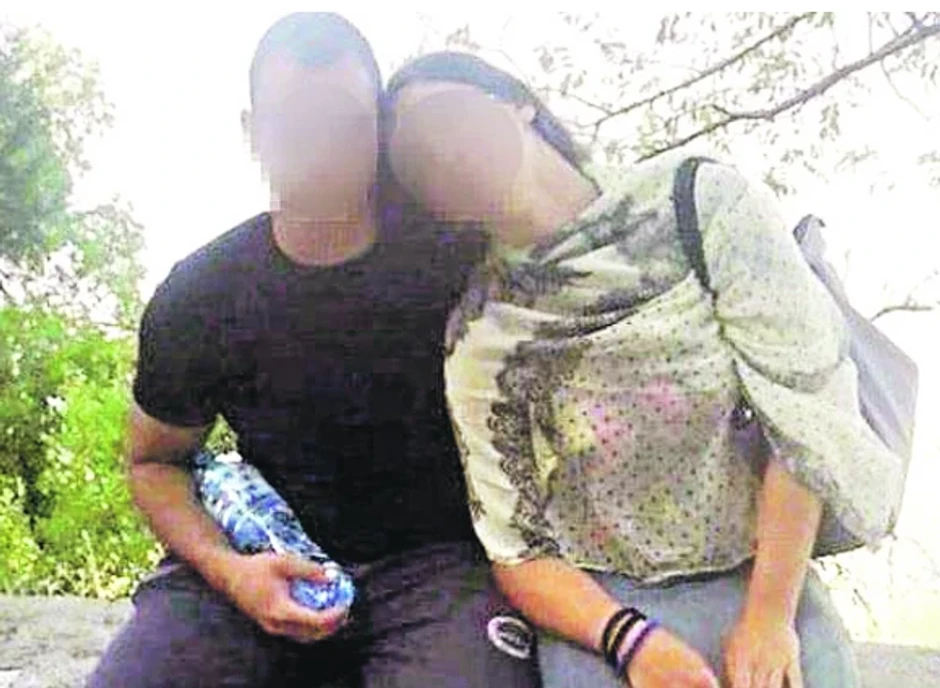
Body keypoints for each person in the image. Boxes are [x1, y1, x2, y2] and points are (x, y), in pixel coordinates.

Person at [384, 51, 904, 688]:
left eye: (448, 115)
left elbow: (805, 410)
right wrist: (634, 644)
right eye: (418, 157)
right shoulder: (481, 334)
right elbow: (515, 547)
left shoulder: (697, 204)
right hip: (603, 610)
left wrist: (769, 617)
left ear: (517, 102)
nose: (444, 148)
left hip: (765, 573)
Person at [88, 18, 541, 688]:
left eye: (344, 124)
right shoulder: (204, 294)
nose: (321, 152)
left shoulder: (459, 259)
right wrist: (232, 573)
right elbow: (155, 461)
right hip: (262, 550)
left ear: (379, 129)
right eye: (294, 127)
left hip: (440, 568)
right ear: (253, 133)